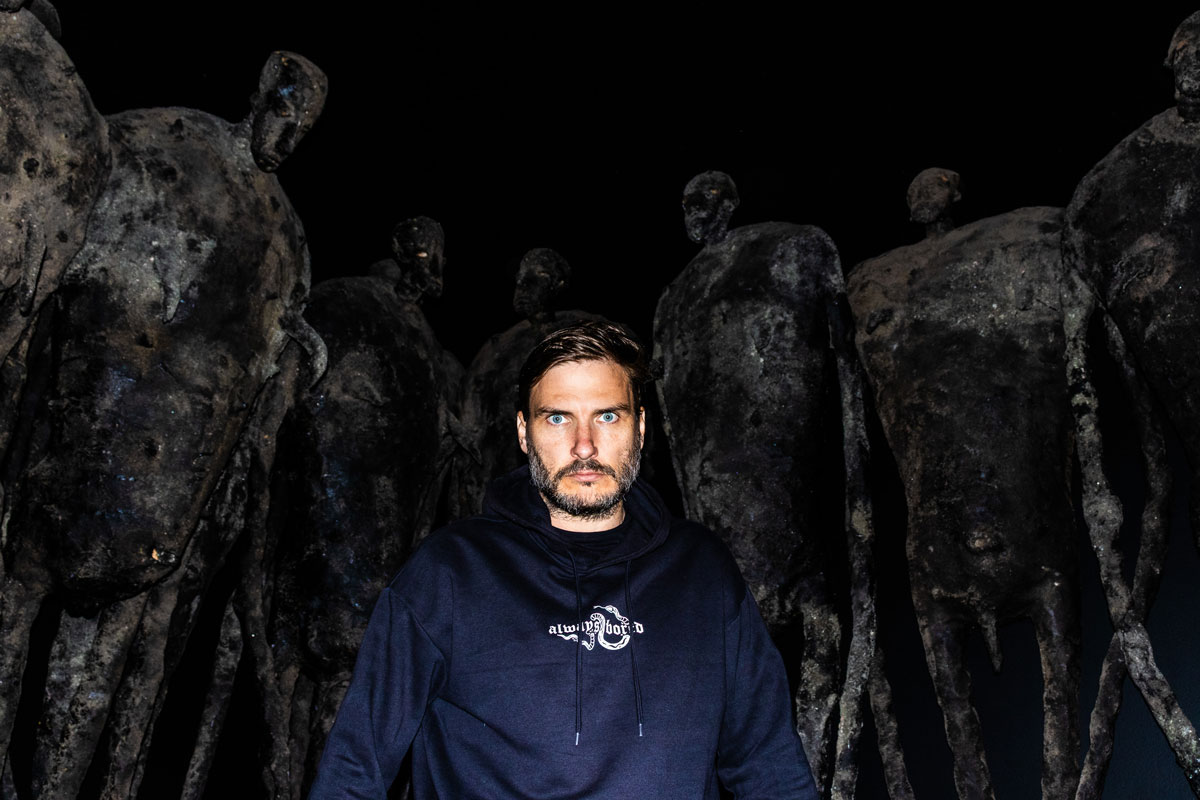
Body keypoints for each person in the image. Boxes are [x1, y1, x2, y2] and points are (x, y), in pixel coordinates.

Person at [309, 321, 817, 799]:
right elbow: (355, 768)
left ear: (640, 428)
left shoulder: (703, 571)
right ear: (524, 432)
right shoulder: (449, 572)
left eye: (608, 416)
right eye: (557, 418)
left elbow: (769, 764)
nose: (584, 446)